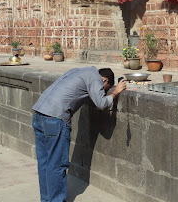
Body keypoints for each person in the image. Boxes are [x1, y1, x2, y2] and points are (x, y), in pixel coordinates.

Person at [32, 66, 126, 202]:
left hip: (39, 114)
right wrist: (115, 92)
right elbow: (101, 103)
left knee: (45, 163)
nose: (101, 90)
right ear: (104, 80)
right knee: (56, 165)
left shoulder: (79, 71)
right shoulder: (95, 78)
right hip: (55, 119)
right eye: (104, 88)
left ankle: (47, 199)